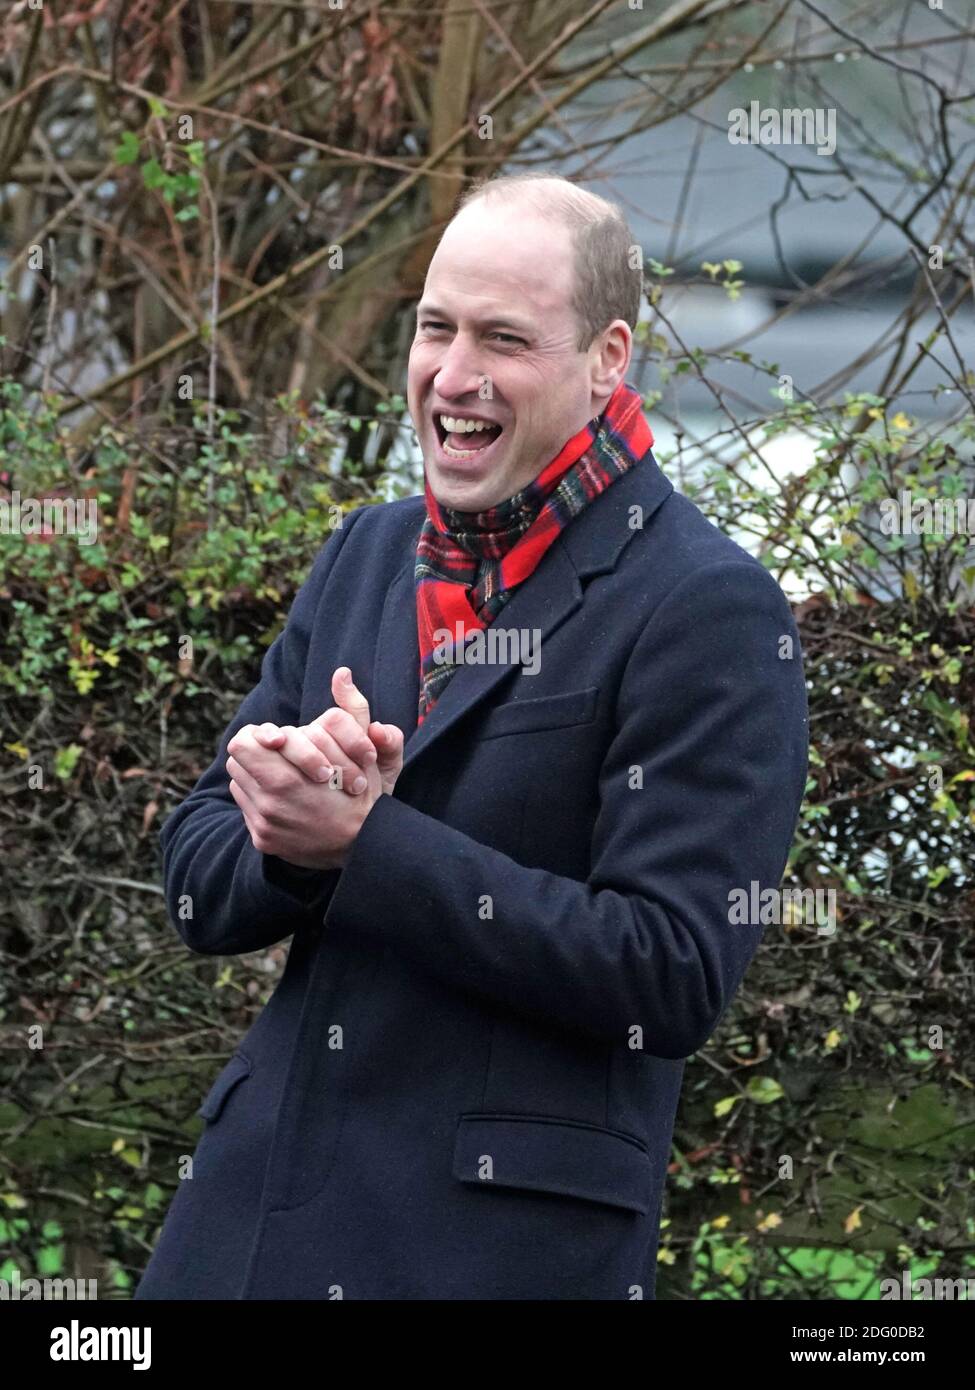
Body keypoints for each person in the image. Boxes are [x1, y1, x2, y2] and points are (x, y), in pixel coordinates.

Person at [134, 172, 808, 1301]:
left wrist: (369, 842)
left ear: (608, 359)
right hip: (248, 1232)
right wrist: (287, 836)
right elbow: (199, 876)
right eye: (436, 327)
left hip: (490, 1255)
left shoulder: (708, 607)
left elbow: (672, 973)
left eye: (504, 338)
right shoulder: (366, 551)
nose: (453, 374)